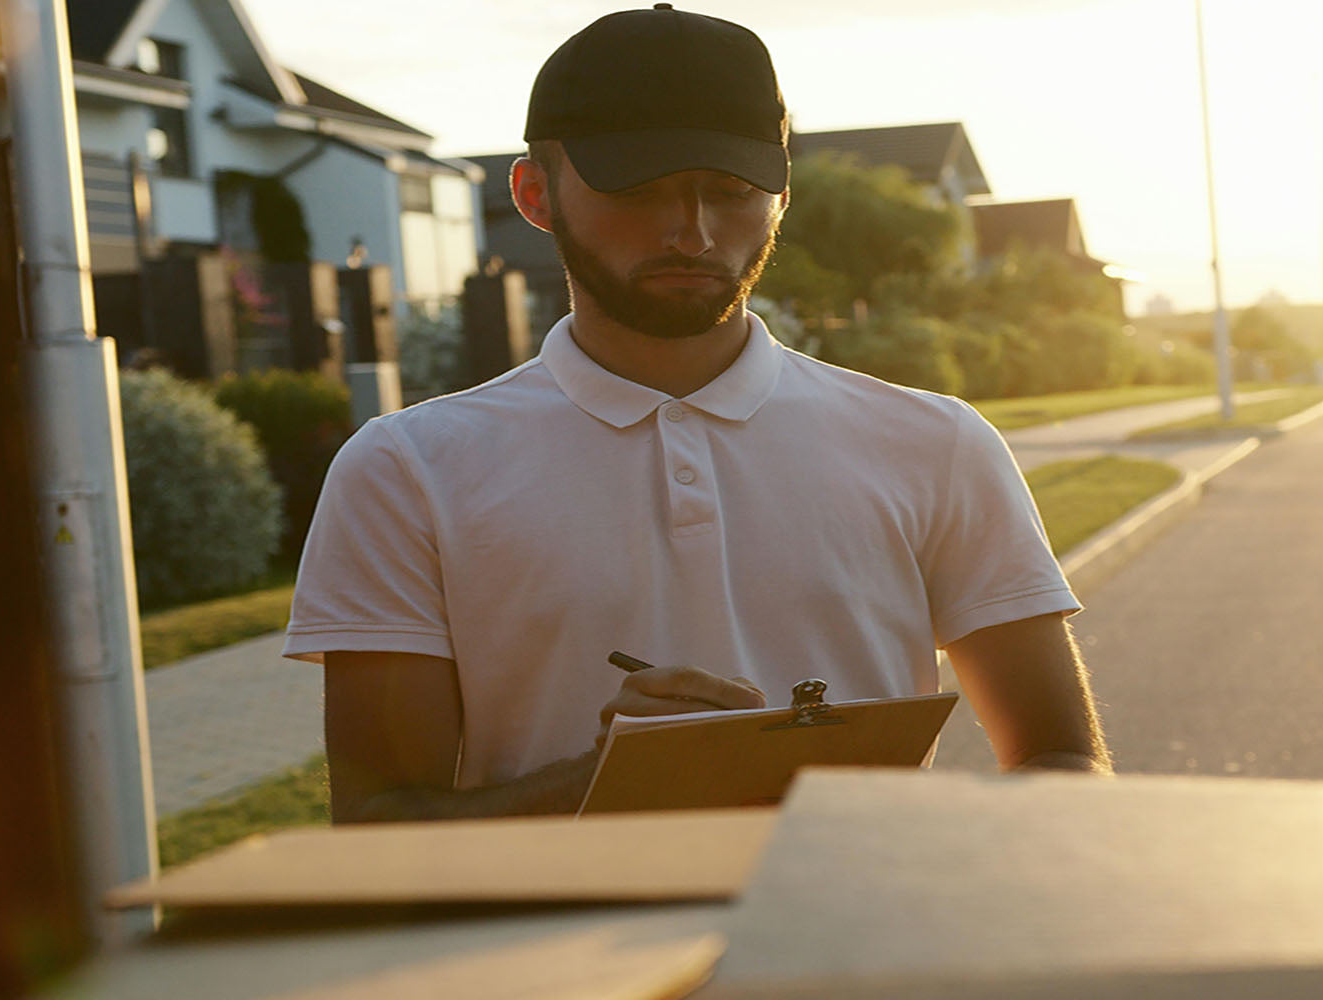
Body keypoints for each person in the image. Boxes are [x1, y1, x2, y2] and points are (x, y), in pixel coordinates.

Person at [285, 4, 1110, 823]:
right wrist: (604, 782)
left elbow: (1062, 759)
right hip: (552, 957)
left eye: (731, 190)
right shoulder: (407, 471)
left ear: (781, 199)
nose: (692, 231)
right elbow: (377, 823)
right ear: (536, 193)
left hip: (862, 943)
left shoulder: (936, 444)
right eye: (638, 190)